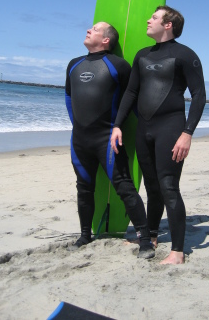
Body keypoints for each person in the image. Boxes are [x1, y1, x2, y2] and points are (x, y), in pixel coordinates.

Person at [110, 6, 206, 264]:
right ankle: (151, 236)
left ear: (168, 24)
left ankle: (177, 251)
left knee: (168, 187)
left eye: (154, 17)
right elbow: (131, 93)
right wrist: (118, 125)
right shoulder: (142, 55)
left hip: (171, 128)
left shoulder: (186, 55)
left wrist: (187, 133)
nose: (148, 20)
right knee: (152, 187)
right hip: (144, 129)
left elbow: (199, 96)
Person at [65, 21, 154, 259]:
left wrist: (142, 129)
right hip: (80, 139)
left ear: (106, 40)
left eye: (94, 29)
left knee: (124, 187)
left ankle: (144, 239)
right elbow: (68, 97)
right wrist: (77, 127)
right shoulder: (74, 65)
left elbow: (131, 100)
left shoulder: (118, 66)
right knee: (84, 188)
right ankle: (85, 235)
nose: (88, 30)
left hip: (108, 139)